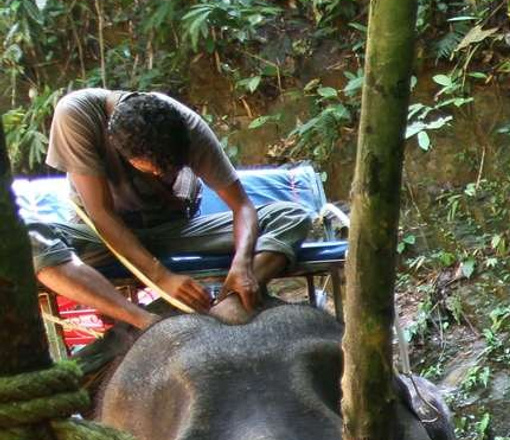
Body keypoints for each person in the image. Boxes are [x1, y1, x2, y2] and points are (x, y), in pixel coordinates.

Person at [28, 89, 312, 330]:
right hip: (102, 238)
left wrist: (243, 265)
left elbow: (242, 207)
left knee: (291, 216)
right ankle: (147, 322)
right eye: (152, 171)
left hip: (171, 231)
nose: (161, 176)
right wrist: (162, 278)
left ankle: (229, 304)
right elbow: (102, 213)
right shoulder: (77, 115)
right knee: (29, 238)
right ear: (118, 146)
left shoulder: (190, 128)